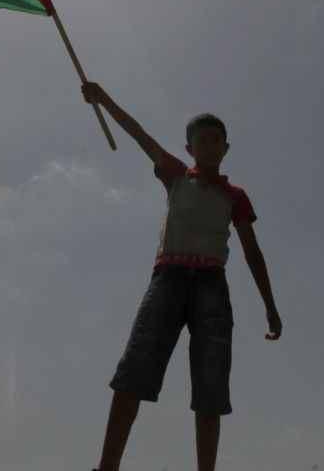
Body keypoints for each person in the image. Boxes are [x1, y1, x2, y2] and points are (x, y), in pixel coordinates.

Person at [82, 81, 282, 471]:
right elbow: (139, 133)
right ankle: (107, 466)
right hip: (169, 277)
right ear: (189, 148)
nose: (209, 145)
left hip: (212, 284)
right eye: (201, 139)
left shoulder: (235, 195)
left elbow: (252, 251)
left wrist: (270, 305)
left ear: (226, 147)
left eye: (216, 139)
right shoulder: (176, 174)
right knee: (135, 369)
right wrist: (103, 100)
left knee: (211, 383)